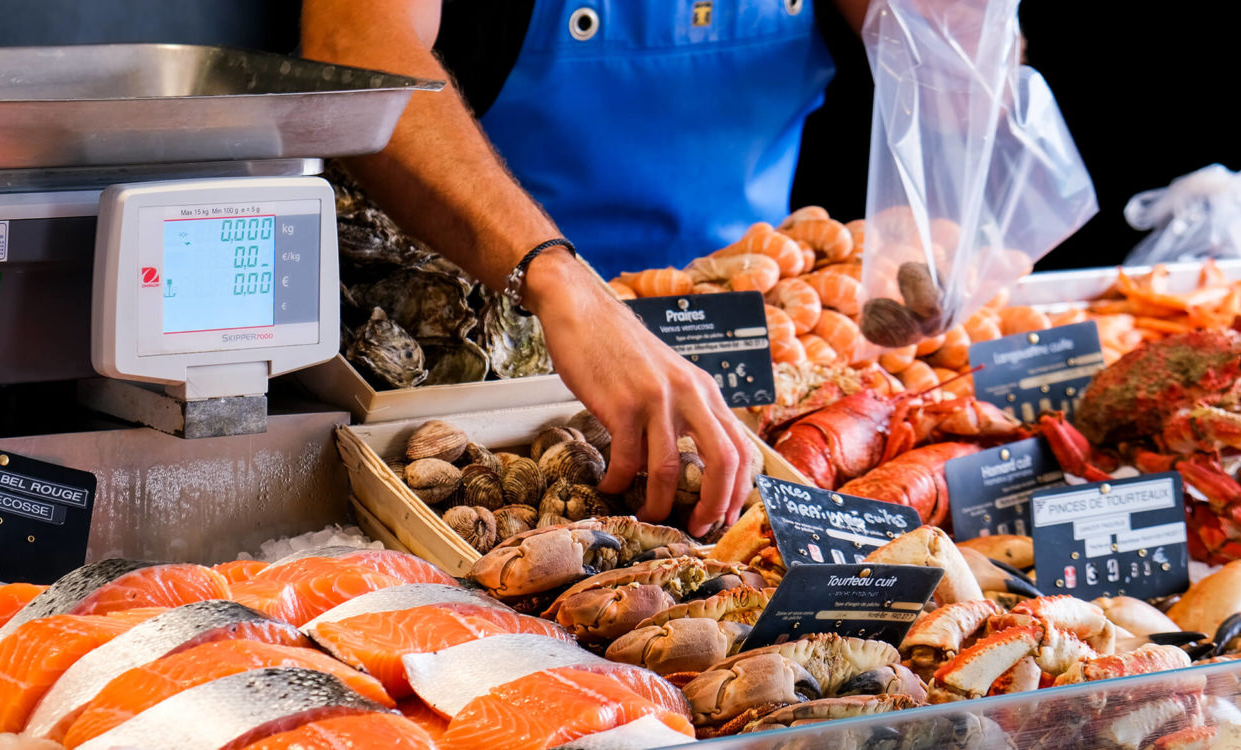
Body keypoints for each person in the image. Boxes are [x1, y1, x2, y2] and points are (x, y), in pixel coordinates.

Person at [302, 0, 871, 537]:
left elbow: (939, 43)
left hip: (743, 302)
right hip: (502, 314)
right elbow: (356, 46)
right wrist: (558, 280)